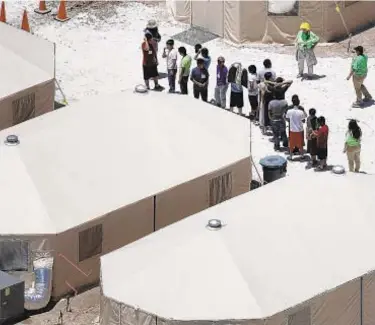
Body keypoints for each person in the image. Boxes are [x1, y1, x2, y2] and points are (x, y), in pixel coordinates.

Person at [286, 95, 307, 159]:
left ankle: (291, 156)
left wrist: (291, 120)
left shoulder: (289, 109)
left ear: (292, 101)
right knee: (300, 142)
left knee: (291, 143)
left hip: (292, 128)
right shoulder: (301, 109)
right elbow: (303, 120)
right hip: (300, 129)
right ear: (299, 102)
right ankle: (302, 155)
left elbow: (286, 118)